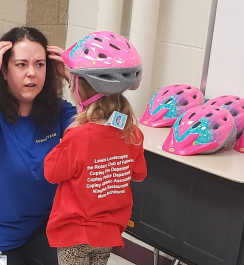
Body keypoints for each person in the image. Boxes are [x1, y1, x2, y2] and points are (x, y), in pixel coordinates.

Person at [0, 26, 77, 265]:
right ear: (4, 69)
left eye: (40, 64)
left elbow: (93, 137)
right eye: (21, 64)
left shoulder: (58, 111)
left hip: (40, 229)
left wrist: (75, 82)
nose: (32, 73)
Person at [43, 31, 148, 265]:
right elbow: (139, 174)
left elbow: (51, 172)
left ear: (79, 90)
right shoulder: (133, 133)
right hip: (108, 232)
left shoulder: (78, 136)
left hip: (75, 233)